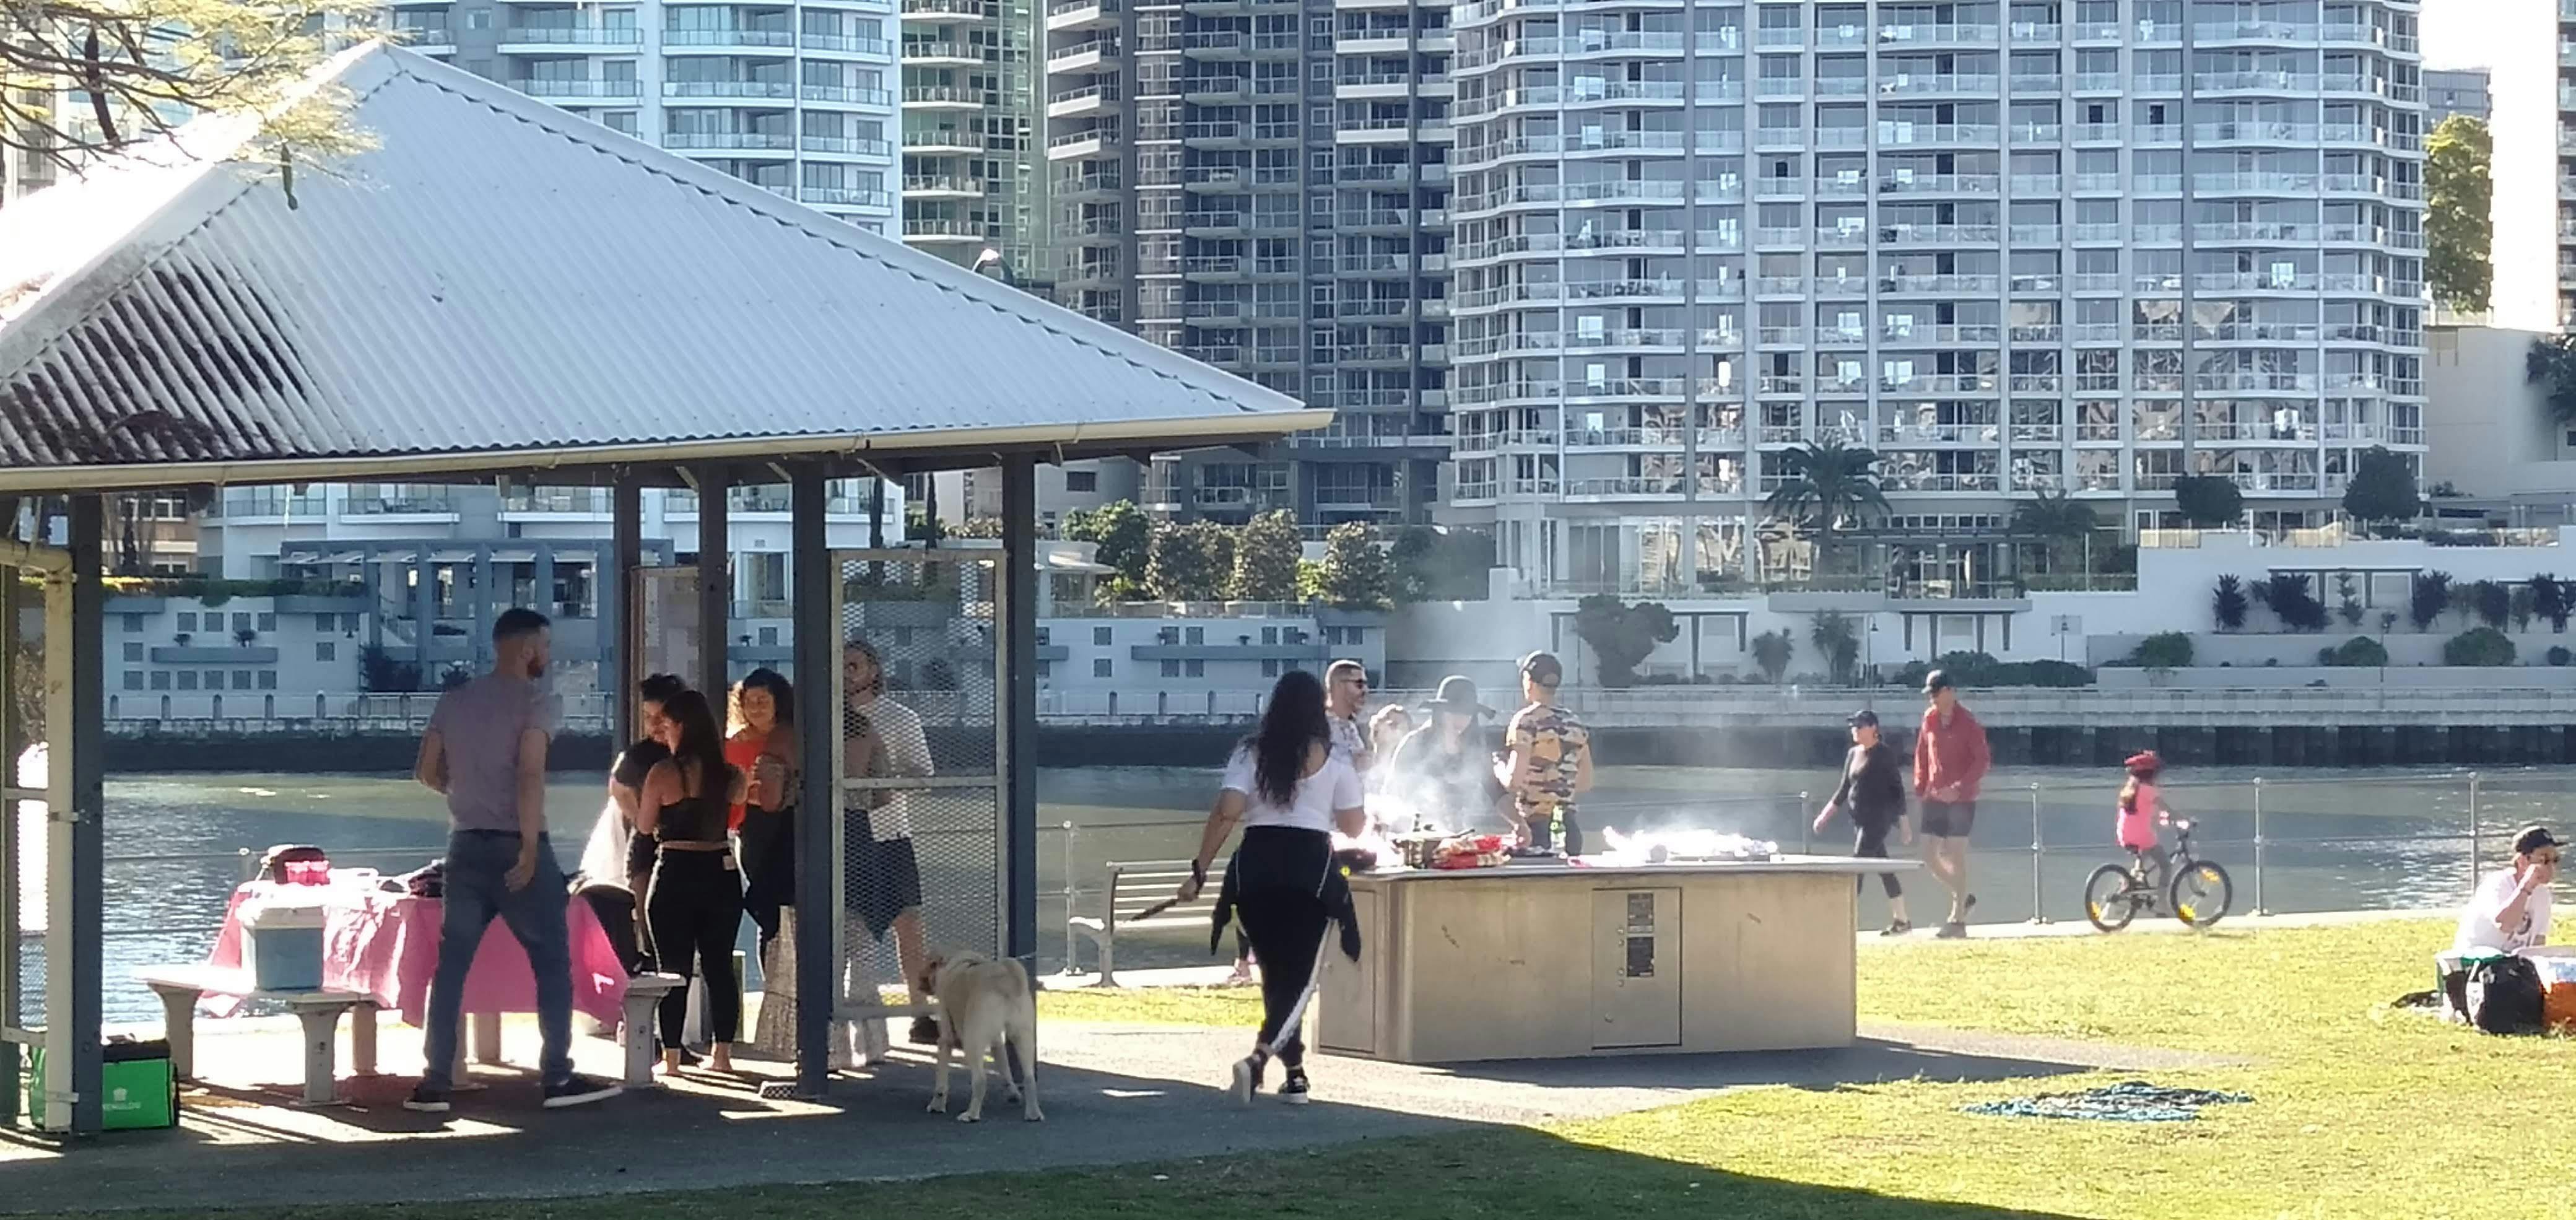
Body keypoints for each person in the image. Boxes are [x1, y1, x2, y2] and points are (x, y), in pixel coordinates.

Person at [406, 608, 620, 1112]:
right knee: (551, 961)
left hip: (464, 844)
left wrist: (463, 794)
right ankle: (557, 1077)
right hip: (515, 842)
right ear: (529, 651)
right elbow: (529, 776)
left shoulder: (454, 700)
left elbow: (424, 771)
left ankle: (435, 1080)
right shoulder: (538, 701)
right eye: (545, 647)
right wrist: (527, 847)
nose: (548, 656)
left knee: (451, 966)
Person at [1175, 670, 1365, 1105]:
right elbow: (1354, 826)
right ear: (1317, 708)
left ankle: (1295, 1073)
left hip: (1255, 868)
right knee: (1299, 979)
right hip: (1309, 870)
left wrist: (1199, 871)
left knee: (1276, 975)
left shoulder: (1250, 752)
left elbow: (1228, 811)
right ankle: (1257, 1060)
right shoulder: (1335, 758)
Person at [634, 689, 746, 1075]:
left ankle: (673, 1060)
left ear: (680, 725)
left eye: (666, 724)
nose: (661, 731)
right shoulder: (730, 774)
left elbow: (646, 827)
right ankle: (723, 1056)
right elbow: (738, 814)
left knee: (673, 968)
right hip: (720, 869)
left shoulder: (664, 773)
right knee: (719, 967)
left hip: (676, 870)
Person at [840, 639, 941, 1051]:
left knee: (909, 925)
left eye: (855, 665)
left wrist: (878, 778)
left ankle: (921, 1014)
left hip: (890, 833)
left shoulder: (900, 719)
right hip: (844, 835)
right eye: (841, 665)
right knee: (850, 929)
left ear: (874, 670)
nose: (848, 672)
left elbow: (924, 774)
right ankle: (838, 1024)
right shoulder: (823, 716)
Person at [1813, 709, 1911, 935]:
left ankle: (1842, 923)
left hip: (1878, 819)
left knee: (1856, 867)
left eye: (1859, 726)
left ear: (1873, 728)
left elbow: (1897, 789)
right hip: (1859, 820)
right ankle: (1902, 921)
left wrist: (1904, 823)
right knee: (1884, 869)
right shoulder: (1853, 754)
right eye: (1853, 726)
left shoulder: (1883, 754)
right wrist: (1824, 816)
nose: (1855, 730)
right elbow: (1844, 790)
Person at [1912, 668, 1990, 939]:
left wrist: (1958, 788)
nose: (1932, 699)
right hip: (1934, 796)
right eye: (1930, 695)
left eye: (1936, 693)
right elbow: (1923, 752)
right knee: (1928, 853)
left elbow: (1982, 761)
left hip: (1962, 798)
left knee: (1955, 852)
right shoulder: (1929, 719)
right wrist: (1921, 785)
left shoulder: (1968, 723)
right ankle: (1962, 895)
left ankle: (1957, 919)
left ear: (1949, 692)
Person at [727, 668, 800, 951]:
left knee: (797, 906)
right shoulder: (733, 745)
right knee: (767, 909)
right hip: (755, 830)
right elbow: (728, 806)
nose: (755, 708)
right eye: (750, 701)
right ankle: (775, 984)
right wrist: (745, 793)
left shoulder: (795, 737)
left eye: (763, 700)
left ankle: (800, 982)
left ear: (778, 702)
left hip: (793, 825)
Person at [609, 674, 690, 922]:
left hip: (691, 849)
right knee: (647, 919)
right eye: (647, 717)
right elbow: (617, 787)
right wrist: (643, 819)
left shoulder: (694, 753)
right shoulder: (638, 755)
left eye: (661, 718)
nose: (654, 725)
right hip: (647, 848)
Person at [1386, 675, 1509, 834]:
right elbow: (1392, 790)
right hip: (1414, 832)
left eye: (1467, 713)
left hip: (1460, 831)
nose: (1460, 719)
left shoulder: (1476, 745)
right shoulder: (1415, 743)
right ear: (1440, 712)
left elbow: (1495, 790)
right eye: (1454, 712)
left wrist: (1519, 824)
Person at [1502, 651, 1592, 855]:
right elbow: (1585, 782)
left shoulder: (1526, 721)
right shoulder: (1575, 723)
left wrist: (1498, 768)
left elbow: (1513, 781)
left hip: (1535, 829)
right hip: (1570, 830)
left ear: (1528, 680)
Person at [2454, 825, 2561, 956]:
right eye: (2544, 860)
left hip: (2513, 966)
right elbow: (2505, 925)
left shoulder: (2543, 894)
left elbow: (2538, 943)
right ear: (2522, 861)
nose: (2551, 867)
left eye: (2555, 860)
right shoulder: (2497, 884)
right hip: (2477, 963)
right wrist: (2526, 887)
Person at [2116, 751, 2176, 895]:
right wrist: (2184, 819)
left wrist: (2161, 818)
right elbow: (2167, 809)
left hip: (2124, 834)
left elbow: (2142, 812)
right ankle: (2162, 902)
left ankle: (2127, 887)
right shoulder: (2149, 790)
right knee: (2166, 865)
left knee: (2142, 858)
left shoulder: (2130, 788)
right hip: (2142, 837)